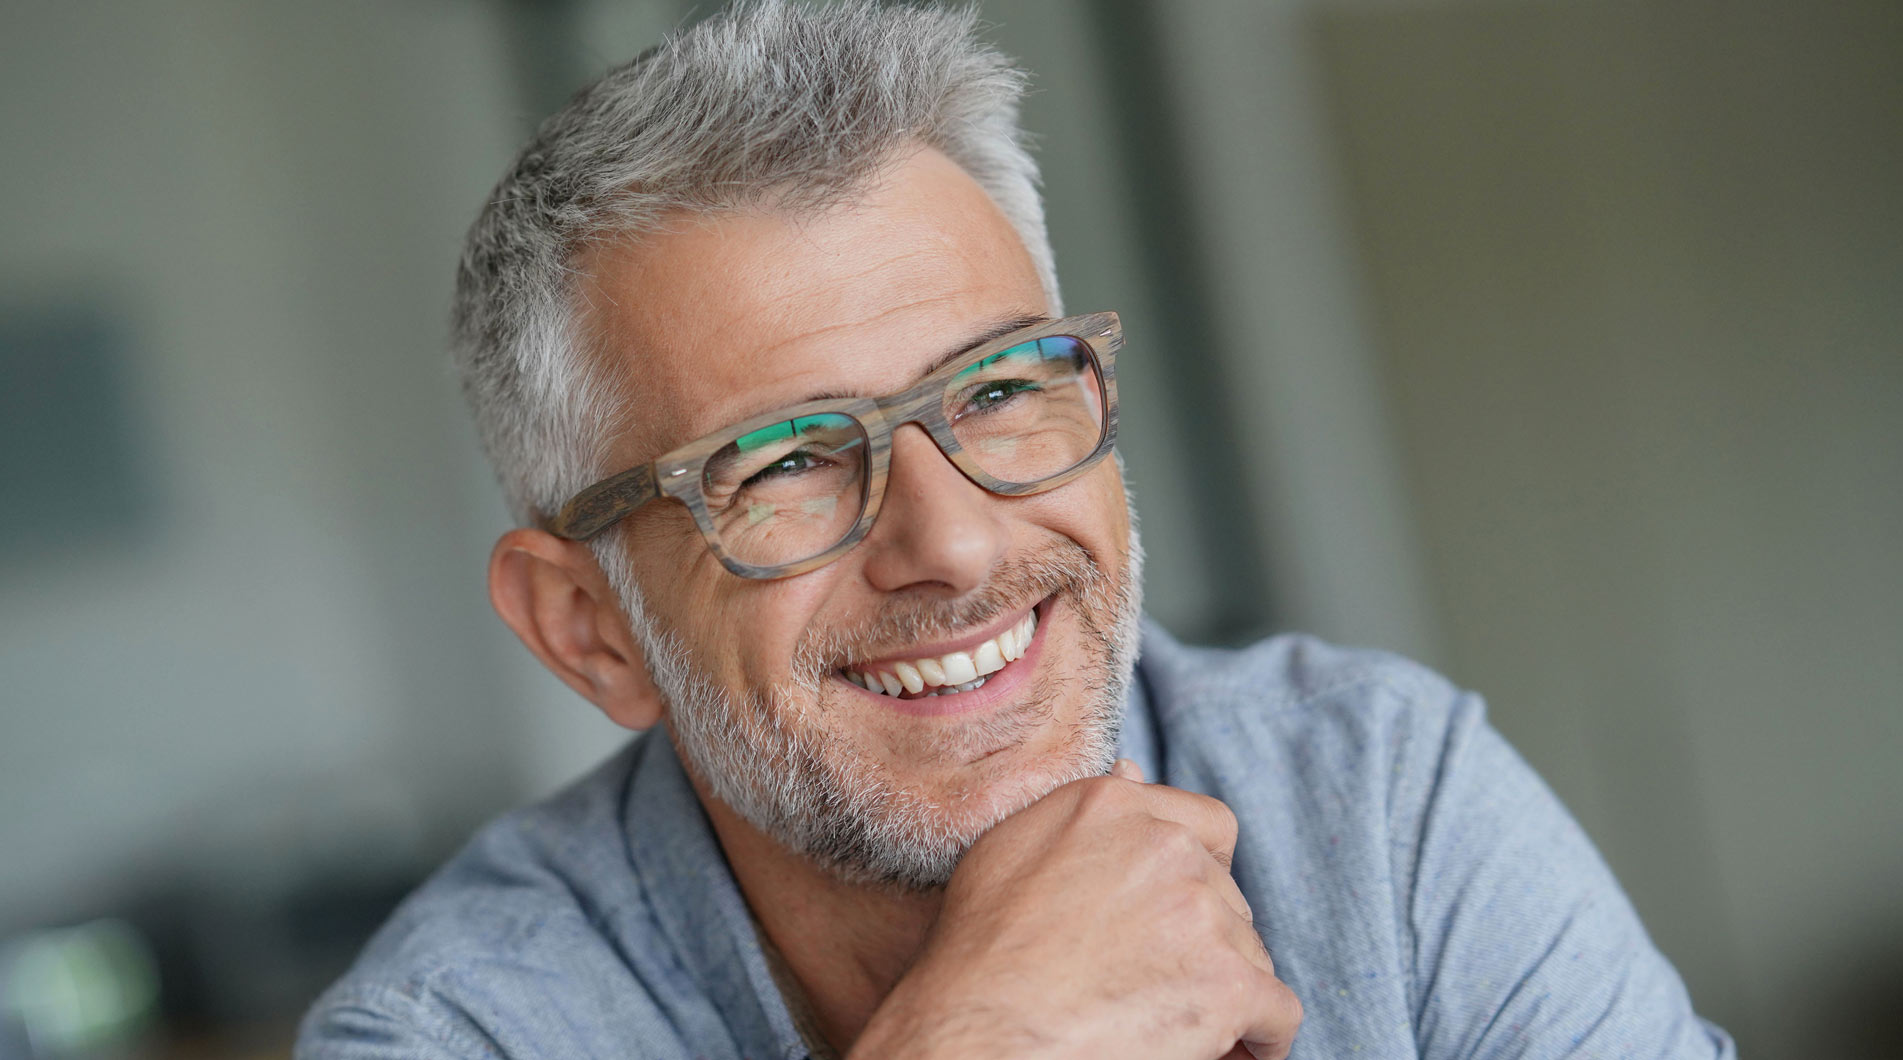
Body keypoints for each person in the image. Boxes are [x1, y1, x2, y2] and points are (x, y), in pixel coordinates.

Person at [297, 3, 1734, 1057]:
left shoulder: (1382, 799)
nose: (959, 546)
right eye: (784, 460)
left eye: (998, 389)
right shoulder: (457, 1032)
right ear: (588, 629)